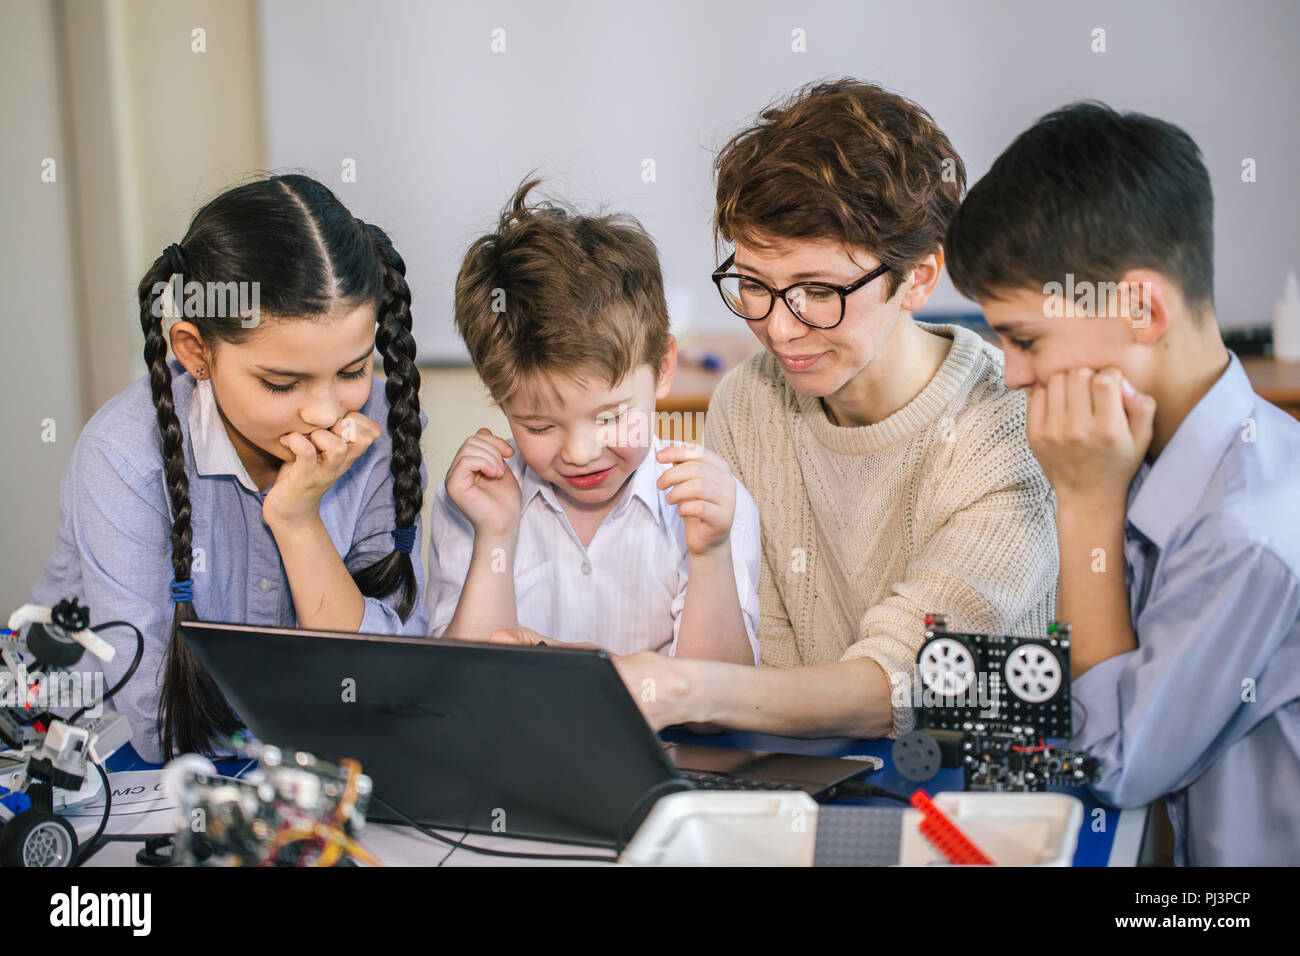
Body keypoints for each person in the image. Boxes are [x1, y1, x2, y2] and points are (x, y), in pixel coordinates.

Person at [495, 80, 1059, 741]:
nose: (781, 329)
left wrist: (672, 683)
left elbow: (909, 682)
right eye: (755, 285)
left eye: (819, 291)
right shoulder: (750, 399)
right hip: (797, 768)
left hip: (965, 789)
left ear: (920, 277)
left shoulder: (1008, 427)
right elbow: (757, 657)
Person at [945, 101, 1300, 866]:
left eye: (1025, 338)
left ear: (1140, 306)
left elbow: (1111, 764)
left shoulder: (1249, 532)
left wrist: (1085, 506)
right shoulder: (1143, 450)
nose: (1012, 374)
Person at [28, 174, 428, 764]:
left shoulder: (381, 421)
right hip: (107, 765)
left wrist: (299, 524)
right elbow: (159, 721)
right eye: (281, 383)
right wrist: (340, 712)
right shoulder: (122, 456)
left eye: (351, 370)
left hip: (296, 763)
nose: (325, 411)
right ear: (196, 352)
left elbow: (397, 673)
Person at [426, 179, 761, 663]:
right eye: (539, 427)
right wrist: (495, 534)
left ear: (663, 367)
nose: (581, 453)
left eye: (612, 416)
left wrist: (709, 555)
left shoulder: (710, 506)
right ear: (500, 401)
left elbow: (720, 704)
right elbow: (463, 688)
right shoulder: (474, 501)